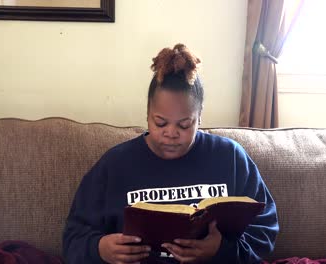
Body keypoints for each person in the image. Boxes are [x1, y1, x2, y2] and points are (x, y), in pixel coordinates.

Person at [63, 44, 279, 264]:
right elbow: (73, 238)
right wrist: (100, 249)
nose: (171, 134)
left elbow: (265, 228)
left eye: (184, 125)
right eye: (160, 123)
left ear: (199, 117)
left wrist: (221, 251)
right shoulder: (115, 165)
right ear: (147, 114)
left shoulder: (231, 158)